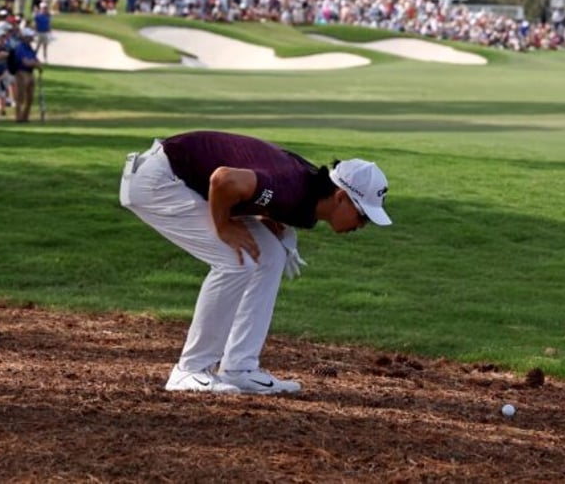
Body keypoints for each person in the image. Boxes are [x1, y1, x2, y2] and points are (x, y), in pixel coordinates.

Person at [119, 131, 392, 395]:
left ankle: (240, 368)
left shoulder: (306, 191)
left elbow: (258, 177)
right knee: (235, 261)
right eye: (362, 215)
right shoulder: (291, 188)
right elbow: (224, 179)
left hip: (180, 177)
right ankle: (190, 369)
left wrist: (264, 209)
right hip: (159, 182)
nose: (362, 224)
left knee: (270, 255)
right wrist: (223, 225)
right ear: (341, 197)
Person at [13, 28, 41, 122]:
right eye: (30, 37)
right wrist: (35, 63)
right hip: (21, 73)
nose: (32, 38)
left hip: (30, 73)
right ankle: (19, 117)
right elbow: (25, 62)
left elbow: (34, 59)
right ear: (25, 37)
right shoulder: (20, 47)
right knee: (20, 97)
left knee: (30, 98)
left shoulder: (29, 48)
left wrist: (36, 63)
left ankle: (25, 117)